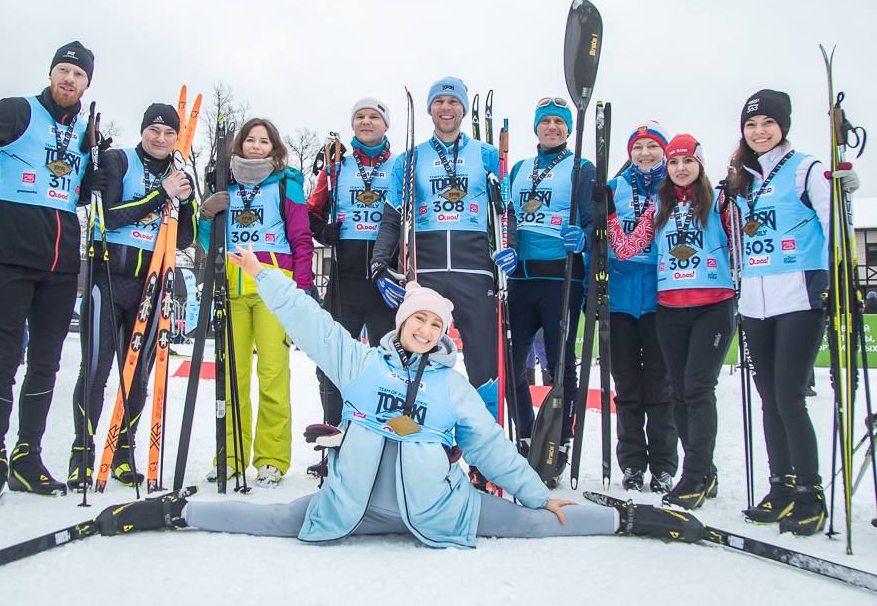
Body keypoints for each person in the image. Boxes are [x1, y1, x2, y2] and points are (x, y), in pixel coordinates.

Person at [95, 244, 704, 548]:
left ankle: (634, 520)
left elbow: (491, 447)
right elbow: (310, 321)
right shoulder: (360, 364)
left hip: (440, 513)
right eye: (418, 320)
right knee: (266, 521)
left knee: (537, 522)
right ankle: (175, 512)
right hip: (349, 510)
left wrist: (536, 494)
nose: (425, 330)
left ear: (443, 334)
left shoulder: (452, 386)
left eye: (436, 325)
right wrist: (263, 275)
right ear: (403, 321)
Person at [0, 40, 103, 506]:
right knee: (4, 361)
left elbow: (83, 190)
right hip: (12, 256)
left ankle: (26, 459)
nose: (69, 80)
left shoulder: (85, 132)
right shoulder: (19, 111)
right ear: (51, 74)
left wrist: (95, 180)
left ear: (87, 83)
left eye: (78, 74)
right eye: (63, 71)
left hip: (60, 265)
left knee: (47, 365)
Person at [368, 77, 508, 491]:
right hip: (426, 269)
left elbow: (505, 213)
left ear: (463, 110)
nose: (446, 109)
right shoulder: (409, 159)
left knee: (485, 365)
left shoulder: (485, 155)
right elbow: (393, 216)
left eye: (453, 102)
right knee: (420, 362)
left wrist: (509, 248)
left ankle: (486, 461)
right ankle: (419, 448)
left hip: (475, 268)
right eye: (439, 102)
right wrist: (380, 262)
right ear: (430, 110)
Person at [728, 89, 858, 535]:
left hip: (800, 298)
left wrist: (846, 202)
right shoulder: (743, 178)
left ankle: (810, 491)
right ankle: (781, 487)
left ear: (782, 125)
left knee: (789, 398)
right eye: (751, 124)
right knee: (769, 401)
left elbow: (837, 228)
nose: (759, 131)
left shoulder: (806, 169)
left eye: (767, 122)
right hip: (755, 302)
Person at [67, 103, 197, 491]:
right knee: (95, 368)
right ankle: (82, 453)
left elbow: (186, 237)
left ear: (177, 138)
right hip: (107, 276)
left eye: (168, 133)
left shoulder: (177, 174)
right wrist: (161, 194)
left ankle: (123, 450)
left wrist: (185, 201)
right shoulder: (116, 161)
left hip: (151, 284)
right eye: (153, 130)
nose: (160, 138)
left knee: (138, 375)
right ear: (143, 131)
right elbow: (108, 214)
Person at [607, 134, 736, 510]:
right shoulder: (659, 205)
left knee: (694, 389)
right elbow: (627, 248)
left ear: (699, 164)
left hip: (712, 304)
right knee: (680, 391)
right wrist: (611, 215)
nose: (680, 168)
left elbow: (746, 230)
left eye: (686, 161)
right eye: (676, 163)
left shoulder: (719, 200)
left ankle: (694, 472)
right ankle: (697, 472)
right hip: (670, 305)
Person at [198, 118, 314, 488]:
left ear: (274, 148)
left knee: (273, 376)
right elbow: (207, 243)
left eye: (264, 141)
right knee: (232, 377)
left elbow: (301, 239)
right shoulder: (224, 185)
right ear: (239, 145)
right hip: (231, 289)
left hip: (273, 290)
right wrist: (206, 215)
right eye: (250, 140)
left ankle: (271, 459)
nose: (256, 146)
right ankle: (230, 455)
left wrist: (302, 290)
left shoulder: (286, 186)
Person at [305, 98, 398, 477]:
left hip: (385, 281)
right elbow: (310, 212)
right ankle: (333, 444)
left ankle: (387, 447)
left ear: (386, 125)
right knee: (333, 364)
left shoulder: (400, 165)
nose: (366, 121)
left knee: (389, 366)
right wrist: (320, 231)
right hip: (344, 279)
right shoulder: (336, 165)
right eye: (359, 116)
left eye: (374, 116)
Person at [505, 96, 595, 485]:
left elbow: (595, 223)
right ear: (537, 128)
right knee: (512, 365)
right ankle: (527, 435)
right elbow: (507, 216)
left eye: (560, 123)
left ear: (568, 129)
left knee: (560, 367)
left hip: (562, 278)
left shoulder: (582, 168)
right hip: (521, 278)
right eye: (546, 123)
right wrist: (505, 245)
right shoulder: (521, 169)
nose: (553, 128)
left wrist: (584, 239)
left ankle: (559, 441)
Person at [606, 122, 677, 493]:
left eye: (652, 146)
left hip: (661, 301)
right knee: (627, 387)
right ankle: (632, 463)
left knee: (660, 388)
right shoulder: (615, 188)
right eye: (638, 147)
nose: (645, 153)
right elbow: (598, 238)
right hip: (619, 302)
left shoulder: (675, 188)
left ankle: (664, 465)